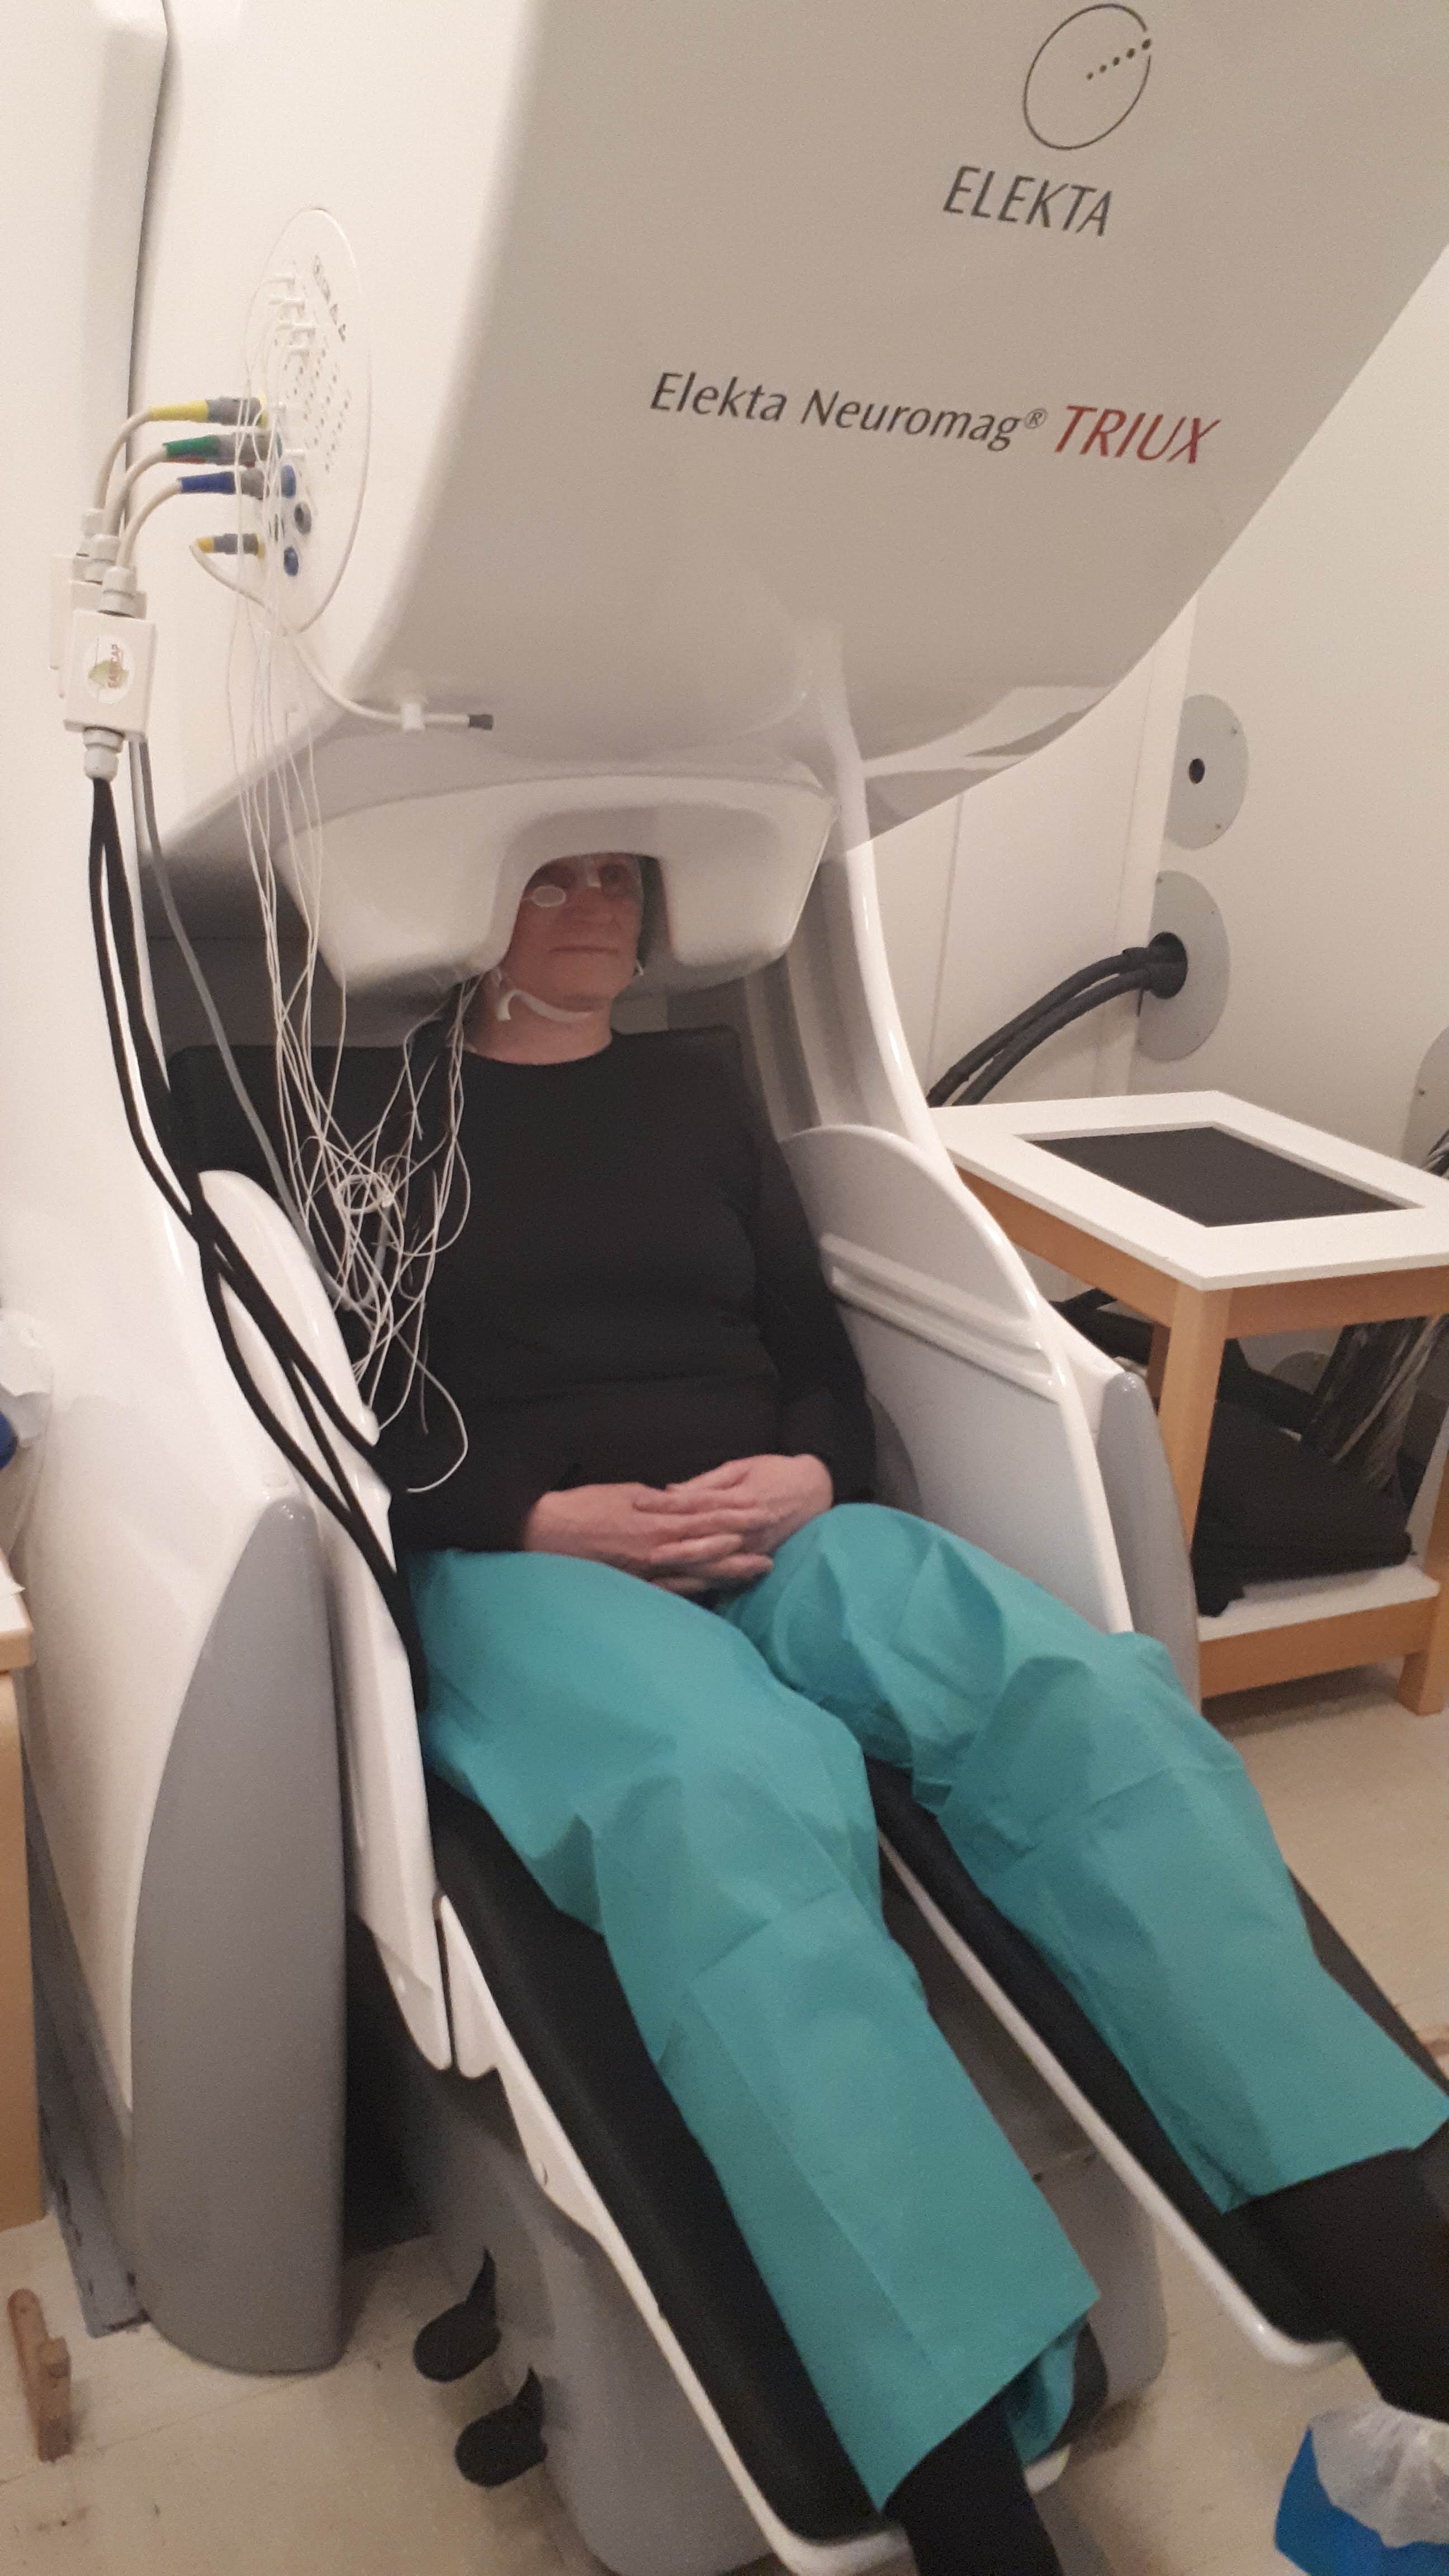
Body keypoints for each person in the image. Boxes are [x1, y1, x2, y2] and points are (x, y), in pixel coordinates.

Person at [383, 853, 1449, 2576]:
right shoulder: (375, 1122)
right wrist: (526, 1511)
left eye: (620, 876)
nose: (597, 904)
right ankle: (973, 2519)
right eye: (549, 876)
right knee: (729, 1798)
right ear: (460, 899)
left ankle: (1410, 2298)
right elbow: (339, 1398)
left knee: (1081, 1705)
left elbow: (818, 1354)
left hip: (784, 1523)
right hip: (537, 1565)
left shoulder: (701, 1099)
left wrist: (814, 1470)